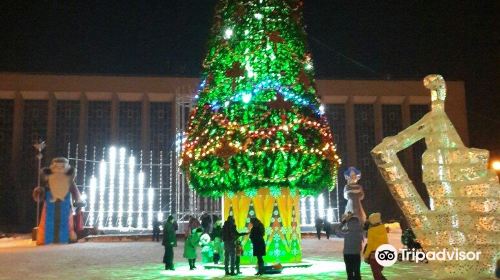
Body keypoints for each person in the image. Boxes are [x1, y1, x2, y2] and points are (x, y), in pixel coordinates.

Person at [335, 215, 364, 280]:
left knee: (349, 272)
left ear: (348, 223)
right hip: (356, 254)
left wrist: (344, 222)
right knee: (357, 272)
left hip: (347, 254)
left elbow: (337, 231)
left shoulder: (347, 232)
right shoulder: (360, 232)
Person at [363, 213, 388, 280]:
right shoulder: (383, 228)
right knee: (379, 274)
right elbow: (386, 242)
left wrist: (366, 256)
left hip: (374, 256)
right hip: (383, 254)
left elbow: (370, 245)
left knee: (377, 275)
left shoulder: (371, 231)